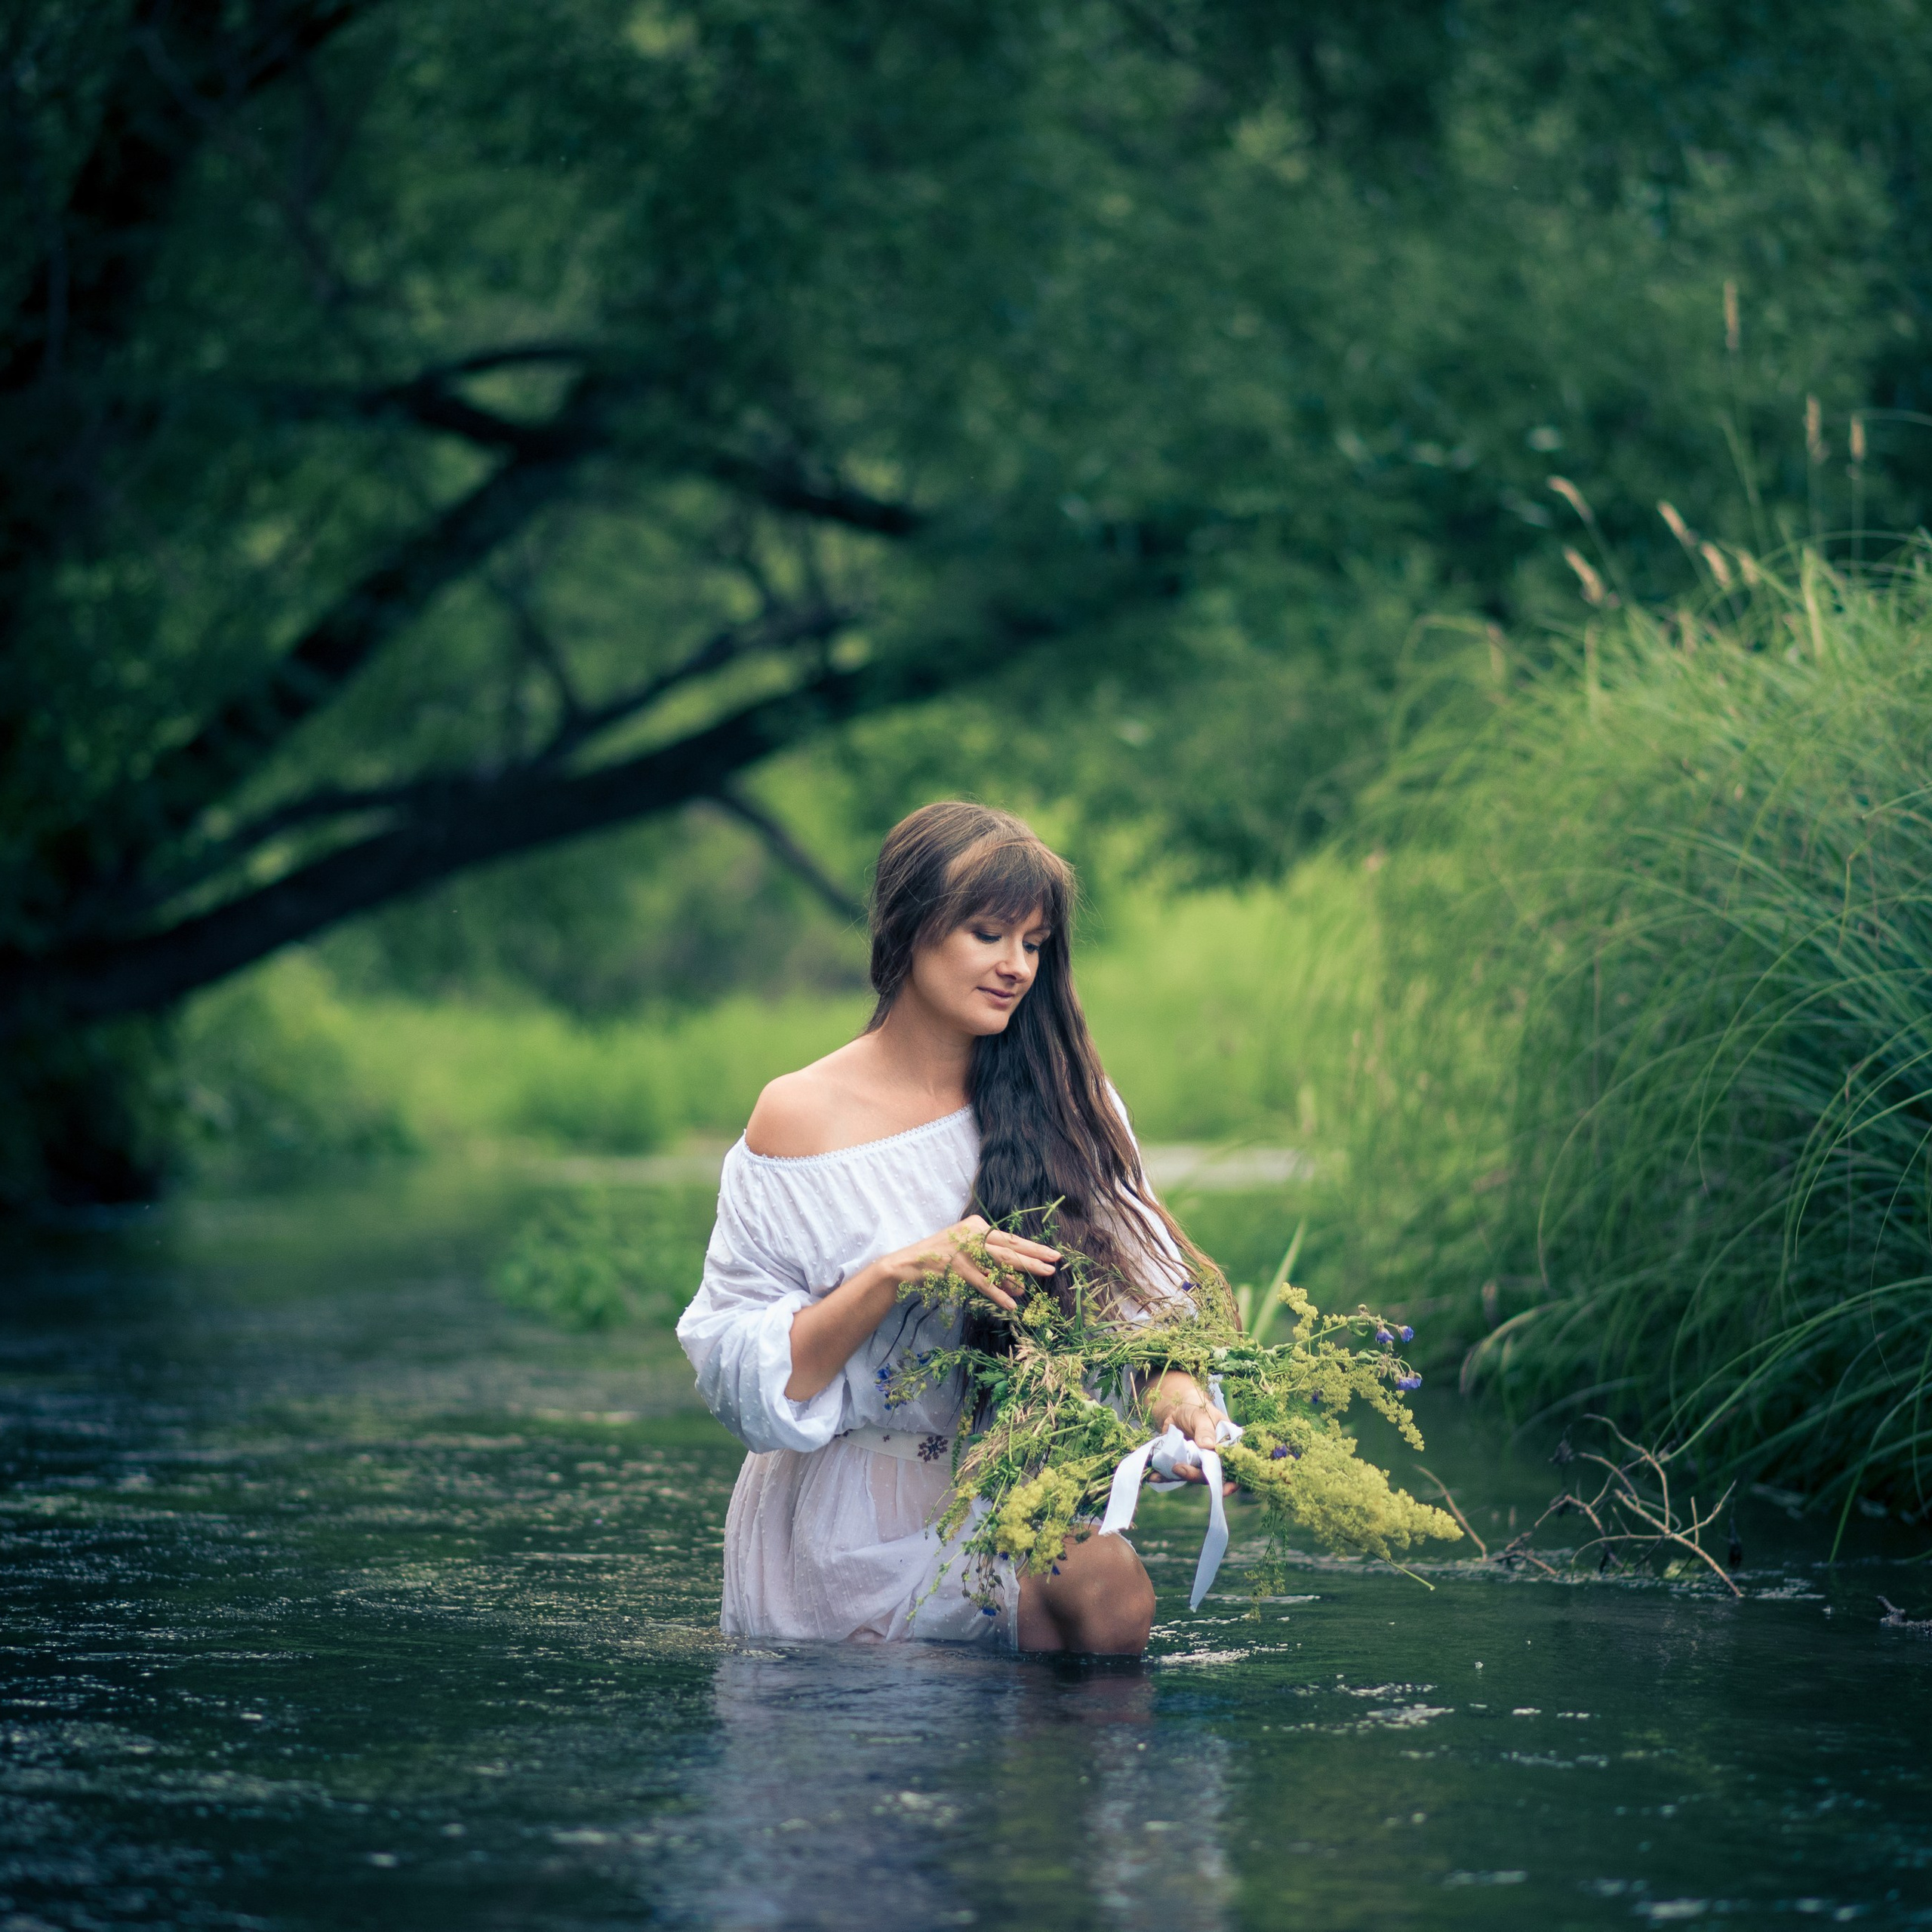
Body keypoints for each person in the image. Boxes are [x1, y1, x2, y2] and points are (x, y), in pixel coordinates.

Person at [676, 801, 1234, 1654]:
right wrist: (895, 1274)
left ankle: (1112, 1786)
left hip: (1011, 1492)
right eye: (987, 934)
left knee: (1110, 1593)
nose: (1016, 966)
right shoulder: (800, 1114)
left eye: (1035, 944)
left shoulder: (1067, 1098)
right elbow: (736, 1368)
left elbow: (1137, 1318)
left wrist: (1183, 1408)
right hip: (846, 1518)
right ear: (908, 928)